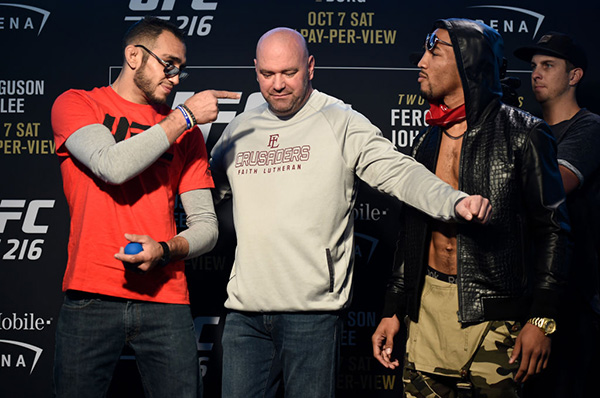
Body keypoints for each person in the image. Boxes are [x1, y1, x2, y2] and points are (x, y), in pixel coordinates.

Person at [210, 27, 492, 398]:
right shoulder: (240, 128)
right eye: (267, 74)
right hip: (244, 315)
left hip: (312, 314)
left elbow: (398, 171)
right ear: (255, 70)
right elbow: (203, 191)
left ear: (310, 67)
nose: (277, 84)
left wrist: (452, 201)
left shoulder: (340, 120)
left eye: (289, 73)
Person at [371, 19, 571, 397]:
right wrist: (393, 309)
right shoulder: (425, 142)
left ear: (468, 63)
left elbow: (554, 230)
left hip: (495, 321)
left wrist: (542, 318)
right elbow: (410, 233)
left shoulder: (524, 134)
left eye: (435, 52)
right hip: (426, 315)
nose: (422, 63)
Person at [51, 16, 239, 397]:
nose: (175, 77)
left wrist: (167, 250)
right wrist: (185, 116)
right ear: (134, 56)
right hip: (91, 296)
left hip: (164, 300)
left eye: (181, 70)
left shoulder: (186, 137)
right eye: (168, 64)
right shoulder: (77, 104)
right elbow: (112, 165)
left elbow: (206, 225)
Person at [515, 31, 600, 398]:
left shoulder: (589, 127)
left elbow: (554, 185)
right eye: (534, 66)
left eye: (548, 65)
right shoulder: (526, 130)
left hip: (575, 295)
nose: (536, 73)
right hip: (527, 289)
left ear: (575, 76)